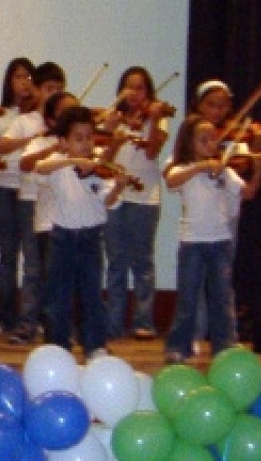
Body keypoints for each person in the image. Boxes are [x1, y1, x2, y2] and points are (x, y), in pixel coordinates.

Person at [162, 114, 261, 363]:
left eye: (213, 140)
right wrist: (201, 167)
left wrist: (259, 170)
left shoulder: (225, 171)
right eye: (203, 140)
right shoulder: (182, 168)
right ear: (189, 144)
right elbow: (171, 180)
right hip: (192, 243)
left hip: (221, 242)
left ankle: (224, 348)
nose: (211, 145)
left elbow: (247, 193)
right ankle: (178, 347)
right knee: (188, 298)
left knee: (221, 297)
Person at [35, 106, 133, 360]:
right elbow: (39, 166)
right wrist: (73, 160)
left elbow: (108, 202)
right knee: (58, 297)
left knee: (91, 295)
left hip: (90, 238)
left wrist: (117, 188)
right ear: (64, 142)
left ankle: (94, 345)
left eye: (89, 138)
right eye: (78, 139)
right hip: (61, 238)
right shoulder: (59, 166)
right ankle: (58, 346)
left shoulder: (101, 168)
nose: (86, 144)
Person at [0, 61, 67, 345]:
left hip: (57, 202)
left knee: (58, 266)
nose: (54, 94)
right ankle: (27, 323)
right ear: (36, 90)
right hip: (29, 198)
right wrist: (40, 138)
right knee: (32, 265)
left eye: (59, 89)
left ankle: (54, 322)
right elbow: (4, 148)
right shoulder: (25, 121)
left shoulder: (65, 122)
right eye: (49, 88)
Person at [104, 67, 171, 340]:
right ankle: (113, 323)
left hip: (145, 196)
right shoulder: (114, 117)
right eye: (129, 87)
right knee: (116, 261)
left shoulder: (157, 119)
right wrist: (112, 123)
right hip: (114, 192)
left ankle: (144, 321)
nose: (134, 93)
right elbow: (103, 148)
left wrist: (153, 120)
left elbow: (153, 149)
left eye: (140, 87)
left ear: (149, 91)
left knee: (142, 262)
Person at [0, 57, 36, 335]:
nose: (24, 82)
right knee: (7, 255)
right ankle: (5, 315)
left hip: (30, 189)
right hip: (4, 187)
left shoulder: (40, 115)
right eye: (18, 77)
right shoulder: (1, 115)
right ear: (9, 82)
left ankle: (31, 315)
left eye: (29, 77)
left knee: (33, 257)